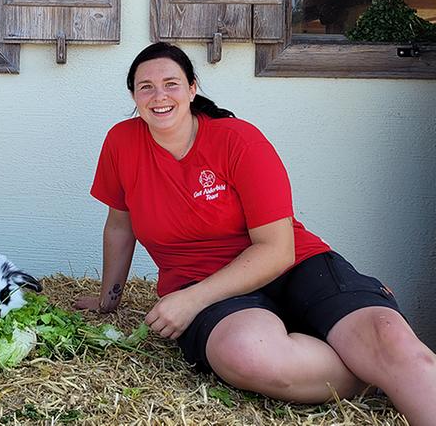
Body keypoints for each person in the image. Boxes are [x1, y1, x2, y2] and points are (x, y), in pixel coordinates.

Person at [75, 42, 436, 425]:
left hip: (295, 265)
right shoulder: (122, 142)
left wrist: (190, 301)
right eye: (146, 86)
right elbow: (120, 224)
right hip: (202, 279)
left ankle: (386, 363)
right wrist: (108, 299)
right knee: (250, 354)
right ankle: (373, 372)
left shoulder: (237, 139)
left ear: (193, 88)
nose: (159, 95)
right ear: (133, 96)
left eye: (171, 83)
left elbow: (278, 251)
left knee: (393, 343)